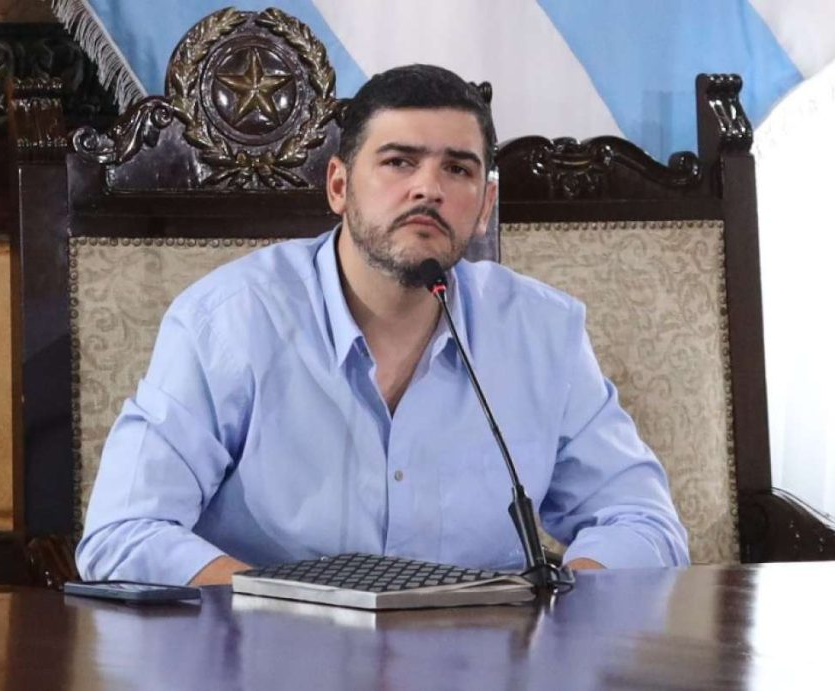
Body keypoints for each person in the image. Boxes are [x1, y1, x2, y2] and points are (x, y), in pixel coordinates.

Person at [76, 64, 690, 587]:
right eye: (399, 162)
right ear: (339, 186)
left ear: (484, 206)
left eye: (458, 170)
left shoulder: (543, 332)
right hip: (271, 655)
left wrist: (557, 611)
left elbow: (643, 522)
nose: (428, 189)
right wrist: (287, 607)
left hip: (483, 658)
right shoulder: (227, 322)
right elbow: (124, 534)